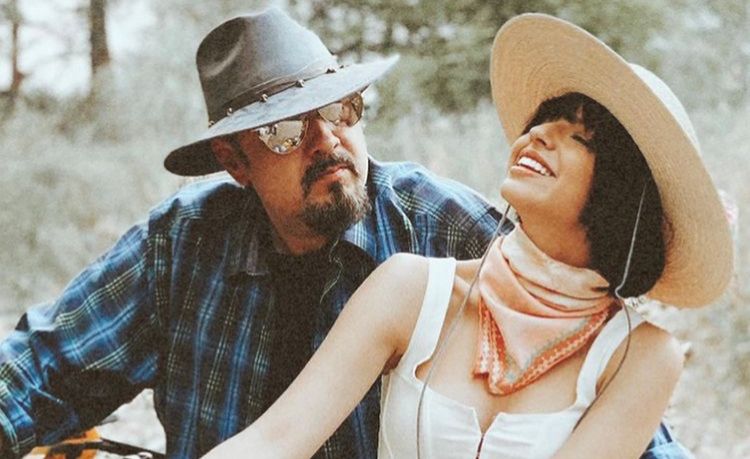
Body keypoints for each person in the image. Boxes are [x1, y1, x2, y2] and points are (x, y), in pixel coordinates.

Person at [0, 8, 689, 459]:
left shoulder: (442, 229)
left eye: (342, 109)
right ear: (235, 162)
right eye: (285, 129)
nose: (328, 140)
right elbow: (42, 368)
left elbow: (614, 408)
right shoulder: (183, 242)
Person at [201, 13, 732, 459]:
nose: (538, 133)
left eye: (579, 137)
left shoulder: (641, 354)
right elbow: (275, 440)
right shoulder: (409, 288)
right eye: (543, 120)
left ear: (620, 192)